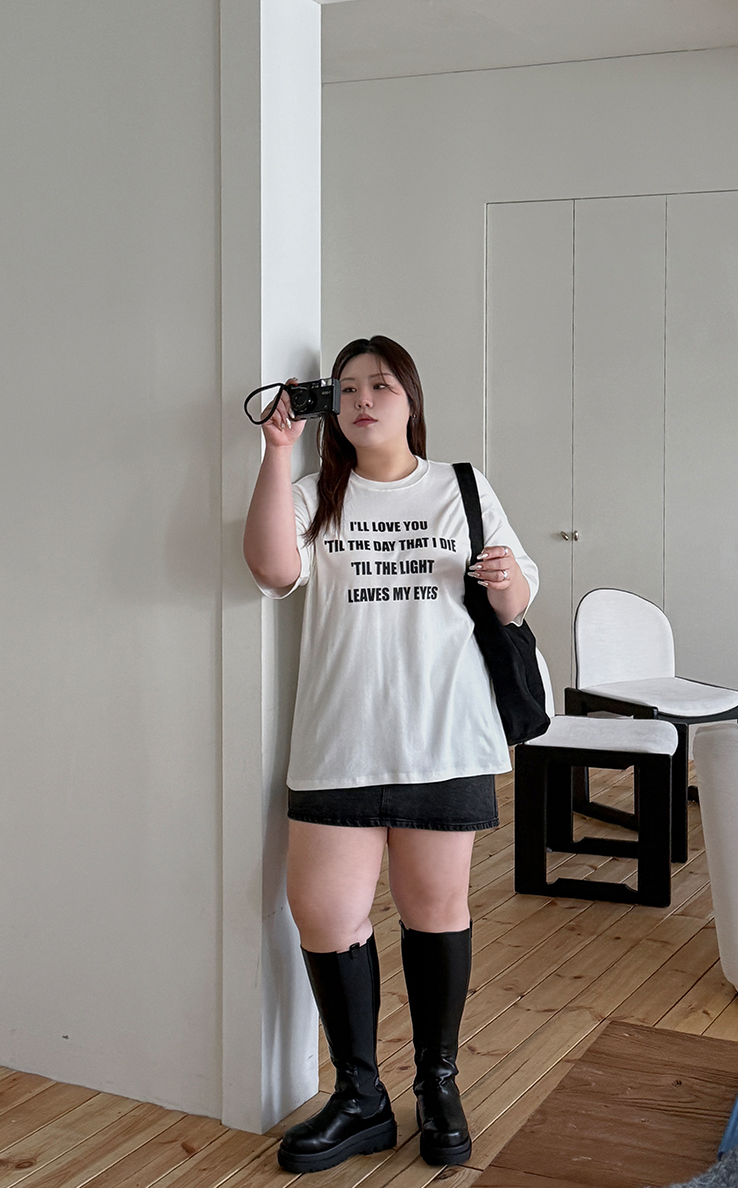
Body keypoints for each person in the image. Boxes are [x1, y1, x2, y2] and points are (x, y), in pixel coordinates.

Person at [243, 336, 537, 1174]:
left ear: (411, 399)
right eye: (346, 388)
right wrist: (276, 451)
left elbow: (517, 601)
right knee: (325, 917)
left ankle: (438, 1087)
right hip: (339, 743)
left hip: (443, 739)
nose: (363, 399)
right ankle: (360, 1097)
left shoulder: (461, 487)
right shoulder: (315, 494)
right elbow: (271, 569)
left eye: (381, 385)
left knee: (434, 912)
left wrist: (505, 578)